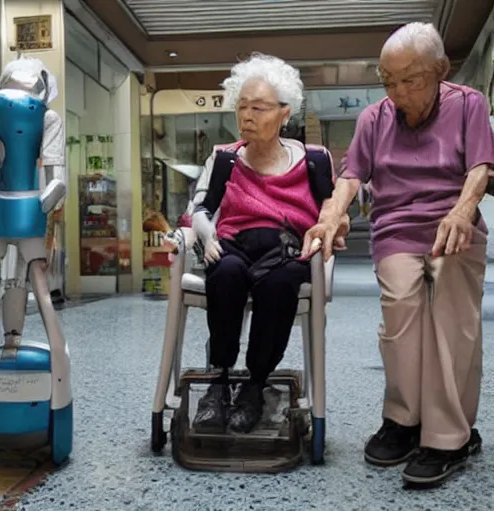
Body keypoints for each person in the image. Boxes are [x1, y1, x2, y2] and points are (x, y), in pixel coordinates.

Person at [302, 22, 491, 487]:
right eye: (389, 80)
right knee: (400, 313)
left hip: (454, 228)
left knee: (451, 316)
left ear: (440, 71)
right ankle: (404, 420)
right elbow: (351, 176)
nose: (398, 91)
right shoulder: (374, 118)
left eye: (411, 80)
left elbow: (482, 166)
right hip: (397, 230)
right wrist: (330, 216)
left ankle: (450, 437)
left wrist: (463, 210)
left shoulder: (469, 104)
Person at [190, 54, 339, 434]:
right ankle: (219, 381)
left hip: (287, 249)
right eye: (242, 107)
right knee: (225, 273)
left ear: (284, 113)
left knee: (280, 283)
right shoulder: (224, 159)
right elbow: (201, 209)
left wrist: (333, 228)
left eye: (259, 108)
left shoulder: (313, 161)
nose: (247, 116)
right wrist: (206, 233)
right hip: (235, 244)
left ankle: (255, 384)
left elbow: (330, 213)